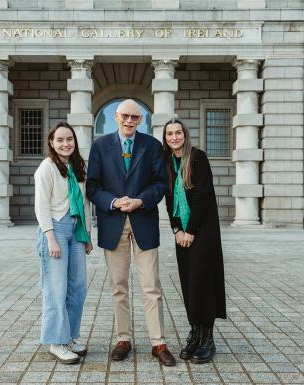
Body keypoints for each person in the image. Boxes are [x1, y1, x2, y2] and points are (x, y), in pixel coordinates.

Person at [86, 99, 176, 366]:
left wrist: (140, 201)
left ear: (140, 120)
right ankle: (123, 339)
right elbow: (93, 186)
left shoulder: (152, 146)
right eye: (125, 116)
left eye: (134, 117)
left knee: (151, 287)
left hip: (143, 221)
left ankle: (158, 343)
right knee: (119, 288)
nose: (129, 121)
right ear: (116, 116)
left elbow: (161, 183)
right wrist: (114, 202)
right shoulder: (100, 146)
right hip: (113, 223)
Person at [163, 118, 226, 364]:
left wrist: (190, 230)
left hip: (203, 230)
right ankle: (195, 332)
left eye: (178, 132)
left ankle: (207, 337)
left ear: (185, 135)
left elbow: (203, 195)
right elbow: (170, 201)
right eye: (170, 134)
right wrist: (177, 229)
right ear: (166, 138)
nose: (174, 137)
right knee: (189, 281)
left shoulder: (197, 157)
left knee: (203, 280)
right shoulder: (167, 162)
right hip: (183, 232)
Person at [34, 121, 92, 364]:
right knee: (56, 288)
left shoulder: (78, 166)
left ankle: (68, 337)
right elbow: (41, 205)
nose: (65, 143)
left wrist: (87, 235)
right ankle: (55, 343)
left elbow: (85, 203)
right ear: (51, 142)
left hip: (76, 229)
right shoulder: (46, 168)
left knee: (77, 287)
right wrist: (50, 238)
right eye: (60, 140)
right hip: (55, 229)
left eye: (69, 139)